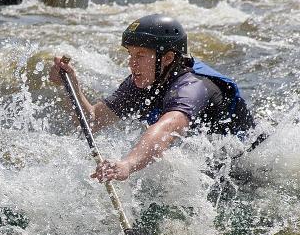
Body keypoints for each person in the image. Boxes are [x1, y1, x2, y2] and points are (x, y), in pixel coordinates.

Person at [49, 14, 255, 182]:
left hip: (245, 165)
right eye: (130, 54)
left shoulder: (192, 86)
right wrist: (70, 85)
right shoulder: (142, 82)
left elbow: (166, 129)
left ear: (167, 58)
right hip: (209, 165)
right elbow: (93, 121)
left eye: (140, 55)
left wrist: (127, 164)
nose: (132, 63)